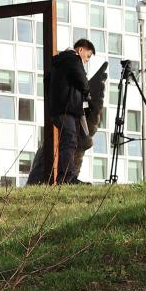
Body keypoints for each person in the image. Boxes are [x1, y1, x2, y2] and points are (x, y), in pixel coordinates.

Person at [49, 38, 95, 183]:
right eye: (88, 56)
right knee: (69, 141)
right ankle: (67, 178)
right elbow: (82, 80)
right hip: (66, 109)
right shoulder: (73, 59)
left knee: (68, 141)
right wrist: (87, 94)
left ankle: (66, 177)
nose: (86, 60)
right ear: (80, 50)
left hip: (59, 108)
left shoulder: (60, 62)